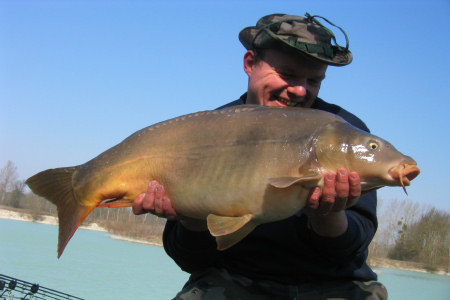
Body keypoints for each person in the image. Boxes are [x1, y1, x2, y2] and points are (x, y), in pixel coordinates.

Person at [133, 13, 388, 300]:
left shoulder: (344, 132)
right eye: (288, 74)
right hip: (235, 280)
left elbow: (350, 251)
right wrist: (192, 220)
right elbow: (190, 261)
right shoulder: (208, 130)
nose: (300, 90)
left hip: (332, 283)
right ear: (250, 64)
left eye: (314, 80)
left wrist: (328, 216)